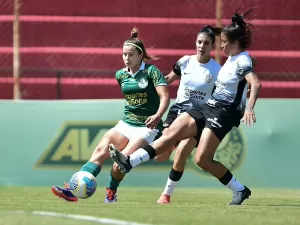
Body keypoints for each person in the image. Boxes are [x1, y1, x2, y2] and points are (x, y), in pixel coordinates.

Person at [109, 8, 262, 205]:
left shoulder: (241, 60)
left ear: (233, 43)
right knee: (170, 134)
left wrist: (249, 107)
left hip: (224, 112)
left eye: (223, 42)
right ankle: (130, 161)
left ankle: (239, 190)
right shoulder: (235, 58)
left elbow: (256, 82)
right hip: (208, 106)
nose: (220, 45)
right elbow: (250, 63)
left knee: (202, 160)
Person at [51, 27, 170, 203]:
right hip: (126, 124)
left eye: (131, 55)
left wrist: (159, 115)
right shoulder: (121, 75)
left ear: (140, 55)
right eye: (124, 54)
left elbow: (165, 97)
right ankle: (74, 190)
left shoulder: (152, 71)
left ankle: (111, 192)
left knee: (120, 164)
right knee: (99, 151)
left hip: (147, 127)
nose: (127, 58)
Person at [152, 25, 222, 204]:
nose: (202, 46)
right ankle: (170, 141)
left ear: (212, 46)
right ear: (195, 43)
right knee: (161, 156)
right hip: (177, 113)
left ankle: (165, 195)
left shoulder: (217, 71)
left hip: (198, 118)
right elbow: (168, 79)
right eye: (199, 42)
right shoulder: (184, 62)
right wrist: (151, 83)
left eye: (206, 43)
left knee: (181, 153)